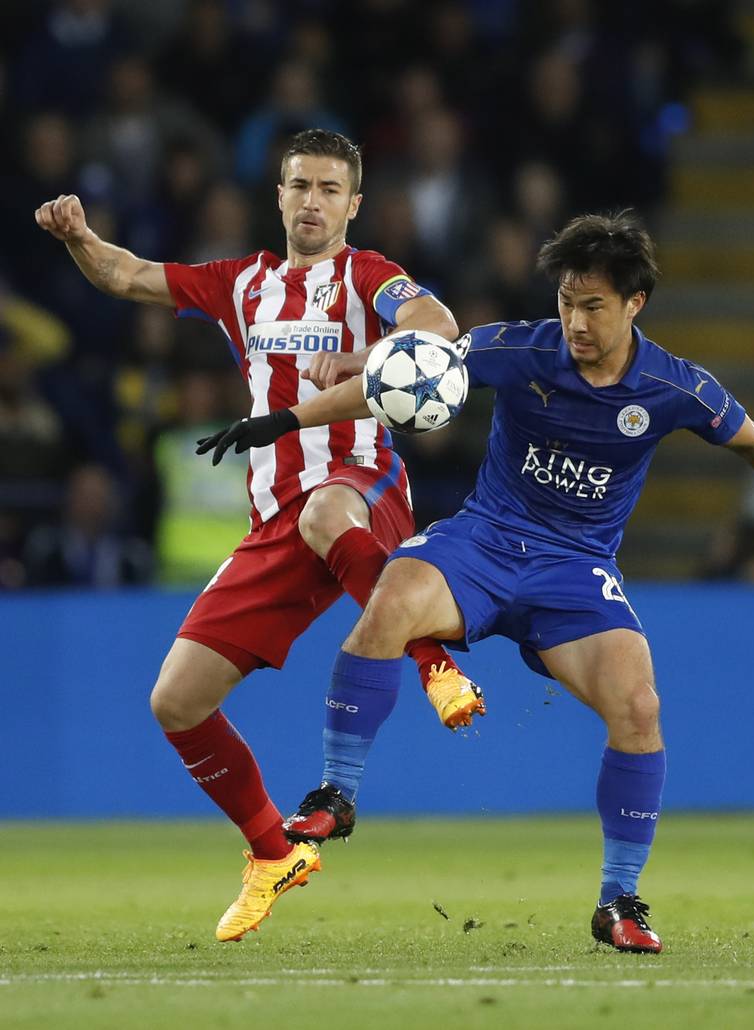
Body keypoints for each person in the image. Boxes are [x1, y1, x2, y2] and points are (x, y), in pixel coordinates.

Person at [202, 210, 754, 954]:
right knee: (388, 601)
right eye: (566, 302)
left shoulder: (671, 385)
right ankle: (336, 792)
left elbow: (751, 439)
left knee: (639, 708)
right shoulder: (515, 348)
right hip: (484, 541)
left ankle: (619, 901)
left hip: (576, 571)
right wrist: (284, 421)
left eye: (593, 306)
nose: (576, 322)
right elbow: (398, 379)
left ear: (635, 303)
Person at [34, 128, 486, 943]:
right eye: (299, 185)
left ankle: (434, 663)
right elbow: (126, 275)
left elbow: (437, 324)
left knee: (324, 513)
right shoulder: (241, 283)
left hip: (359, 485)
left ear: (353, 204)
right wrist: (78, 238)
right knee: (176, 701)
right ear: (278, 196)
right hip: (276, 521)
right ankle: (273, 853)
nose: (312, 201)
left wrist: (362, 357)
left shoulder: (368, 275)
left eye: (329, 189)